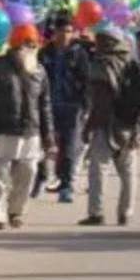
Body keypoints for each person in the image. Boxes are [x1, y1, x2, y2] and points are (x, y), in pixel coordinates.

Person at [0, 25, 55, 229]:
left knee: (27, 173)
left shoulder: (39, 70)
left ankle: (16, 211)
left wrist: (50, 138)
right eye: (27, 44)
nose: (30, 48)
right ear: (16, 45)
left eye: (33, 45)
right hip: (1, 129)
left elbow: (45, 105)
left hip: (31, 131)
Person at [79, 27, 140, 227]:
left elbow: (101, 102)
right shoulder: (132, 64)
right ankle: (125, 212)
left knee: (98, 170)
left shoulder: (101, 65)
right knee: (128, 172)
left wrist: (89, 126)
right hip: (130, 125)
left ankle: (96, 213)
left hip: (106, 125)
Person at [37, 13, 91, 203]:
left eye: (68, 31)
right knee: (43, 145)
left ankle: (66, 185)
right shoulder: (44, 53)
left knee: (68, 147)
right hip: (47, 106)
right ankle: (40, 177)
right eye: (61, 31)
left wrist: (85, 107)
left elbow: (86, 81)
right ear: (55, 32)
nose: (64, 35)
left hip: (71, 106)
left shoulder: (79, 53)